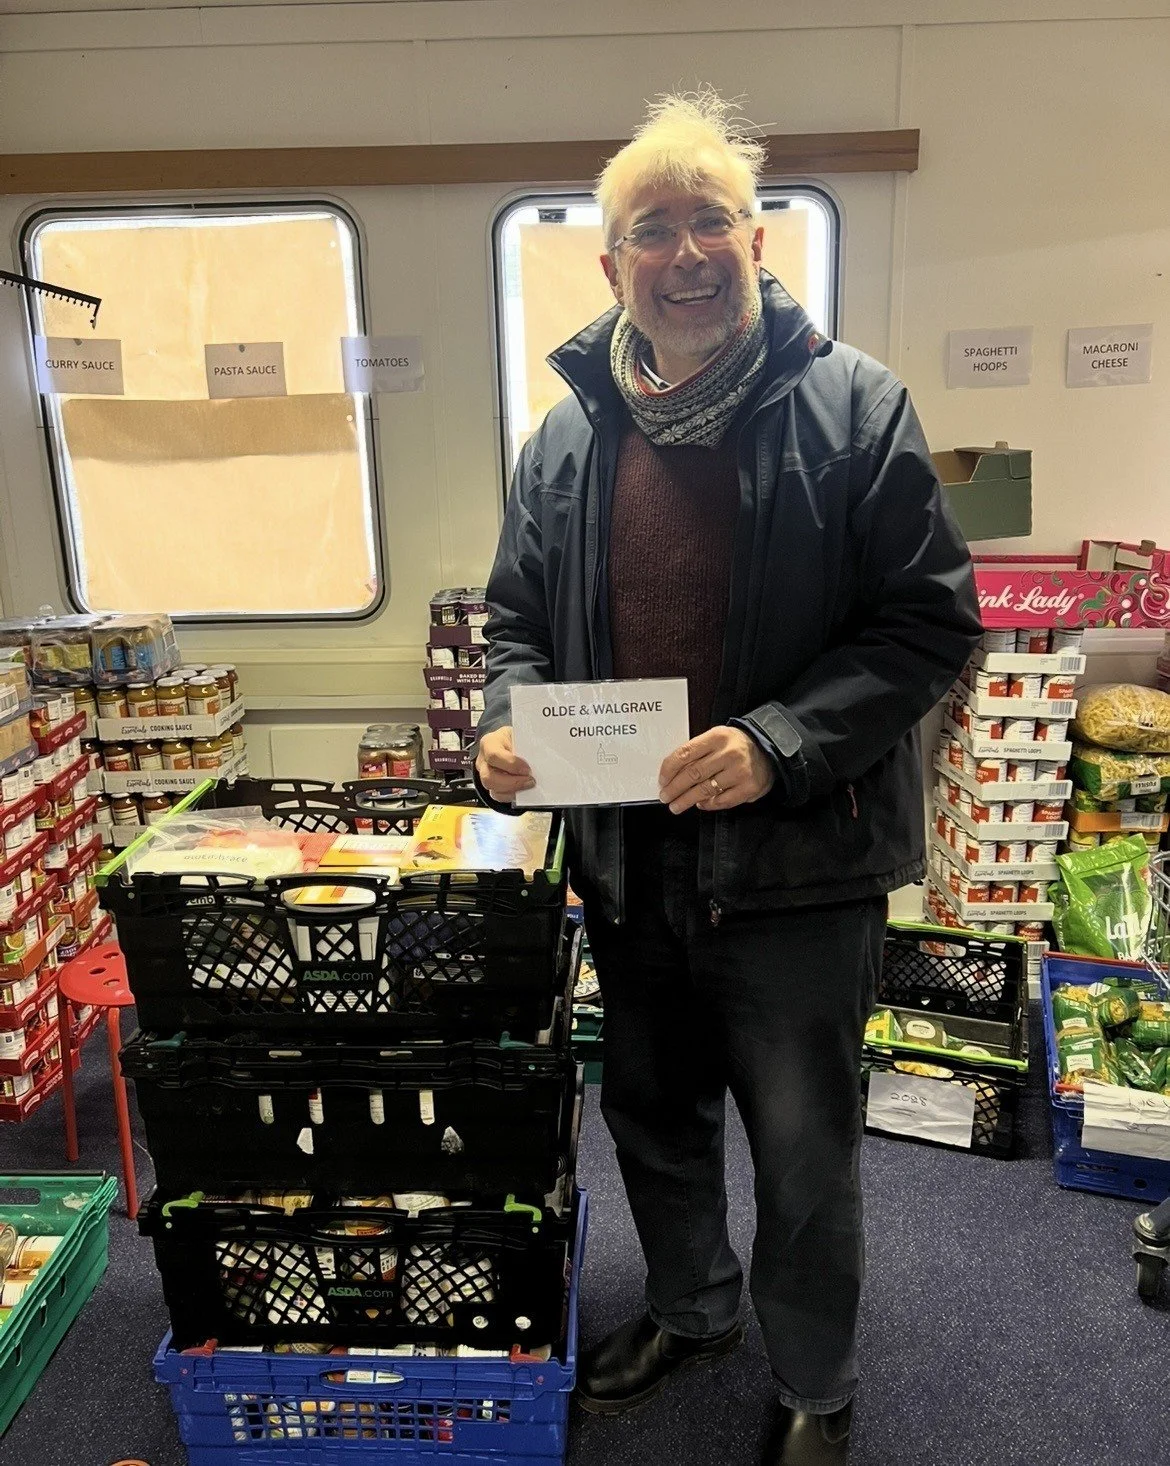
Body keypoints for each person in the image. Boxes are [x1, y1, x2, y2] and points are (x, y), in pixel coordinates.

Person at [474, 88, 982, 1465]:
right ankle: (693, 1309)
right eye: (654, 229)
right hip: (630, 857)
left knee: (806, 1152)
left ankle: (814, 1378)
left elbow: (929, 625)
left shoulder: (854, 406)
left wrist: (776, 739)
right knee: (650, 1113)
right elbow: (512, 618)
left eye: (710, 221)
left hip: (801, 867)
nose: (685, 250)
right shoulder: (567, 435)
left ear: (755, 241)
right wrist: (505, 717)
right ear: (610, 265)